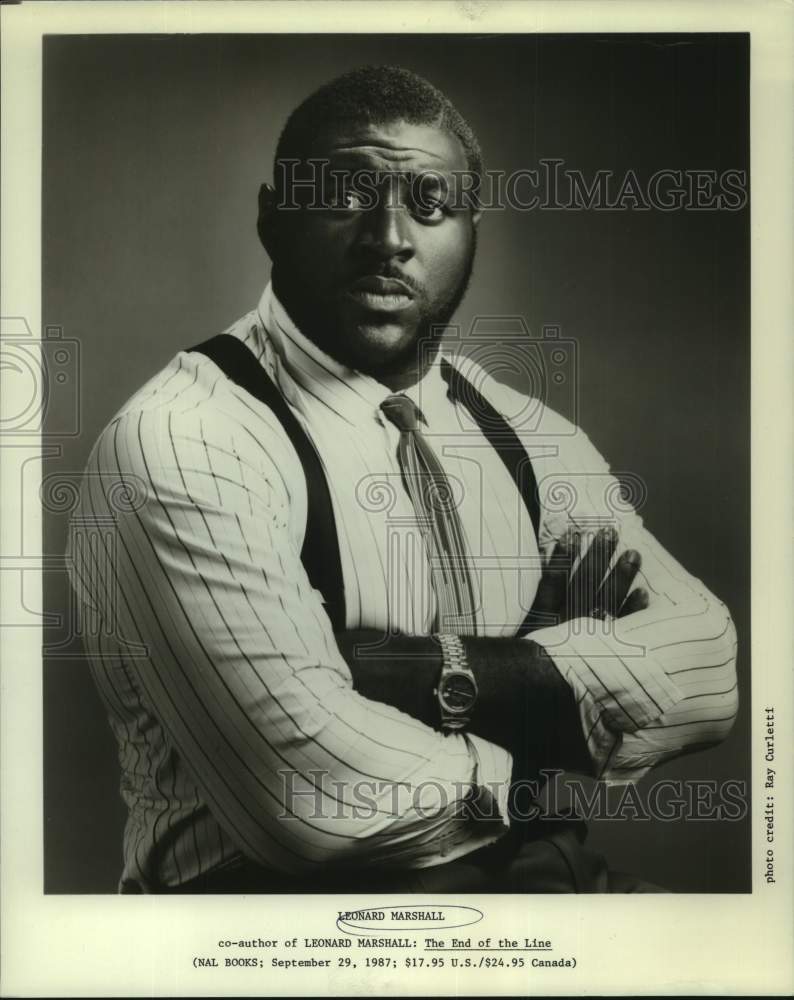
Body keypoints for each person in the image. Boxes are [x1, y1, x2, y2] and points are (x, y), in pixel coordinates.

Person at [67, 65, 738, 894]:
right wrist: (560, 716)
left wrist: (433, 674)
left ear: (472, 228)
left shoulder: (519, 431)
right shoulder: (187, 437)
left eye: (430, 203)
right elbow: (315, 800)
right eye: (346, 192)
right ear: (272, 217)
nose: (389, 238)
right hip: (273, 936)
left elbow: (708, 670)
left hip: (551, 894)